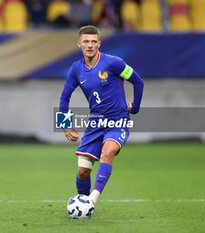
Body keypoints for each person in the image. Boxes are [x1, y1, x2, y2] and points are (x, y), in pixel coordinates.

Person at [59, 25, 144, 205]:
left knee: (108, 151)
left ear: (99, 44)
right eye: (86, 42)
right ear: (79, 44)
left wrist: (134, 108)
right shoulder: (76, 69)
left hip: (117, 120)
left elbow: (138, 81)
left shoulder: (114, 63)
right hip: (95, 122)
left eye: (93, 42)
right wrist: (64, 123)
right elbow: (65, 97)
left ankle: (91, 201)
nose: (89, 45)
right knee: (83, 171)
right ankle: (83, 201)